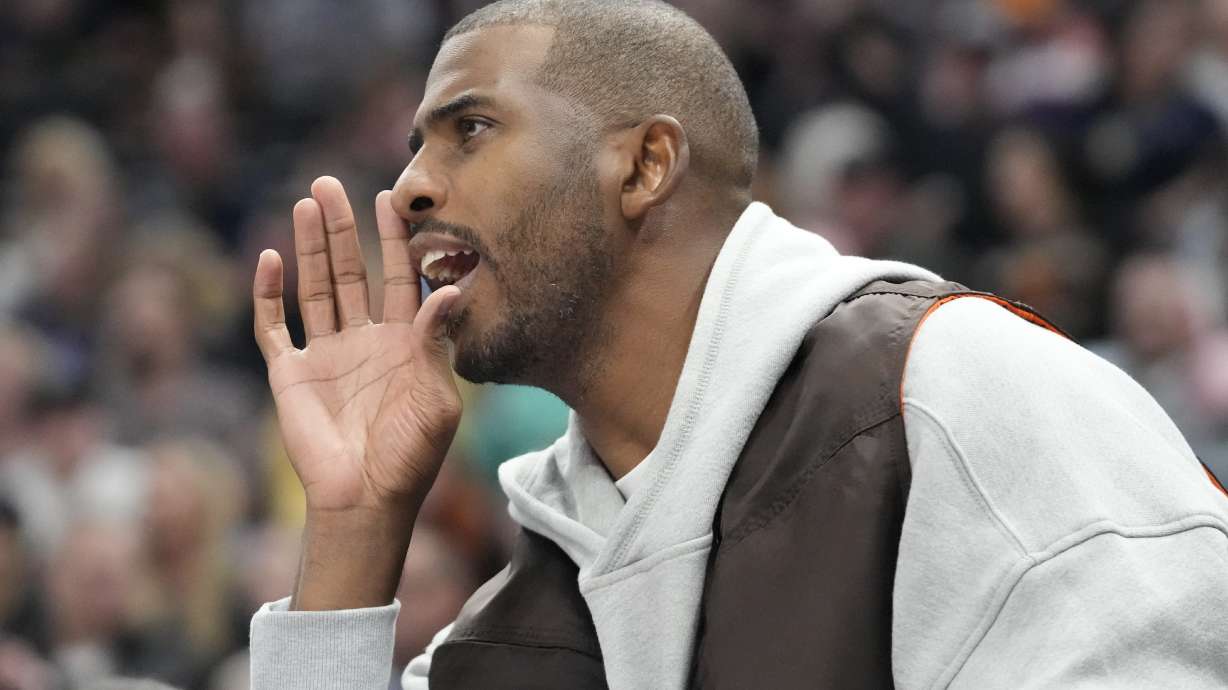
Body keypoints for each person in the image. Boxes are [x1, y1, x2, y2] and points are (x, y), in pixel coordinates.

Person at [248, 1, 1228, 688]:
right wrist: (356, 525)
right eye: (414, 146)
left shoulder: (948, 388)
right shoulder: (508, 634)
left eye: (470, 127)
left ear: (646, 165)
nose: (409, 187)